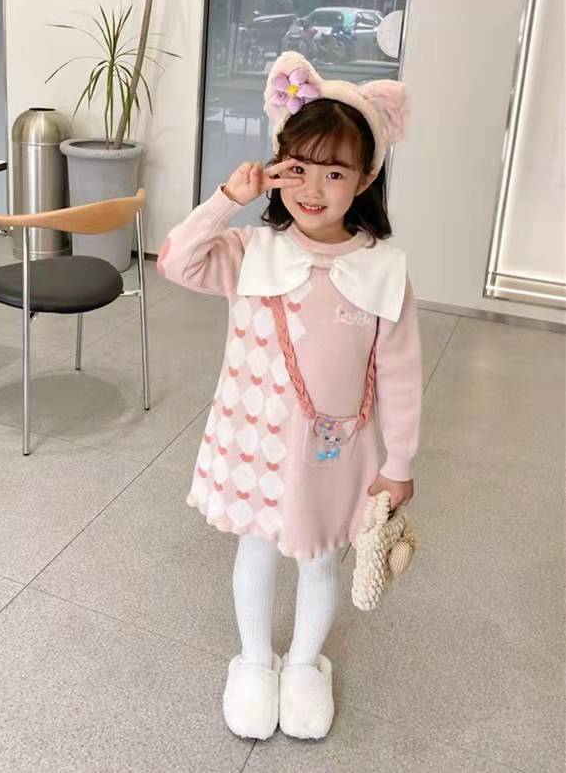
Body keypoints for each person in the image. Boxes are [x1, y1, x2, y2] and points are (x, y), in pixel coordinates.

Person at [157, 51, 421, 741]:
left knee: (319, 556)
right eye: (297, 167)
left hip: (334, 453)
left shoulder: (383, 270)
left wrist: (399, 463)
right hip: (254, 442)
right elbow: (176, 260)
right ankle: (254, 661)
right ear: (277, 167)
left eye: (334, 172)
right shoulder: (251, 251)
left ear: (365, 178)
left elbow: (400, 374)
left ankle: (303, 664)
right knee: (256, 551)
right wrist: (228, 196)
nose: (313, 188)